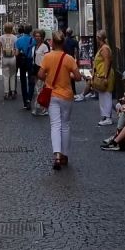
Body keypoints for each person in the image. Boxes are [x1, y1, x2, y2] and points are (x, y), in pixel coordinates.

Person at [38, 31, 79, 169]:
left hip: (53, 95)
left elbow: (40, 74)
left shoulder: (47, 57)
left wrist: (48, 80)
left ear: (53, 43)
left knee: (55, 125)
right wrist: (69, 77)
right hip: (66, 95)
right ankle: (65, 155)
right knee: (65, 125)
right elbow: (78, 77)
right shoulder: (68, 58)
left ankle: (56, 155)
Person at [91, 32, 116, 125]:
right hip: (101, 75)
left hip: (105, 75)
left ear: (99, 38)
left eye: (97, 37)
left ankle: (108, 118)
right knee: (103, 95)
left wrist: (105, 76)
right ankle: (105, 116)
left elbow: (107, 62)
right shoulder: (102, 48)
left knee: (106, 96)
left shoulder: (105, 48)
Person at [15, 25, 36, 109]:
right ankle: (29, 99)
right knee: (31, 80)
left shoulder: (18, 40)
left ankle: (25, 101)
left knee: (23, 81)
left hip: (22, 61)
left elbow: (16, 54)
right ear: (31, 31)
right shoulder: (33, 40)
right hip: (30, 61)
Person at [32, 30, 51, 115]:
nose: (37, 37)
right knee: (38, 89)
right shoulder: (35, 46)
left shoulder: (44, 46)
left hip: (42, 69)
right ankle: (43, 107)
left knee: (39, 89)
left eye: (39, 36)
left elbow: (47, 58)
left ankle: (38, 107)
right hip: (36, 68)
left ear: (42, 37)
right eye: (36, 36)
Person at [0, 23, 18, 100]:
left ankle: (6, 93)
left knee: (5, 76)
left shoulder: (1, 37)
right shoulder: (15, 37)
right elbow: (16, 48)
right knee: (12, 75)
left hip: (5, 58)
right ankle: (12, 92)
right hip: (12, 58)